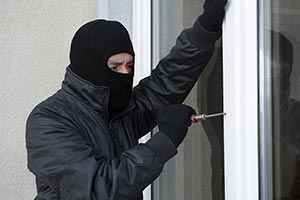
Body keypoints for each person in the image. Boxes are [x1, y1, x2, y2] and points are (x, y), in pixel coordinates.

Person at [26, 0, 227, 199]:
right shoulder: (48, 120)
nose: (124, 74)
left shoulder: (121, 108)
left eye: (129, 65)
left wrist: (204, 31)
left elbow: (165, 84)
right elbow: (97, 189)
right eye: (115, 67)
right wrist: (164, 141)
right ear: (89, 68)